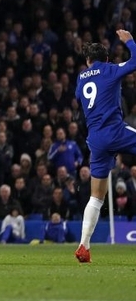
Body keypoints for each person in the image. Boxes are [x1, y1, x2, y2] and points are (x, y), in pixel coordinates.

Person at [74, 30, 136, 263]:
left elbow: (80, 99)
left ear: (87, 61)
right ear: (107, 59)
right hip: (115, 131)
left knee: (96, 197)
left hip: (96, 139)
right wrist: (129, 40)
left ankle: (84, 246)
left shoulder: (81, 78)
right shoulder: (110, 70)